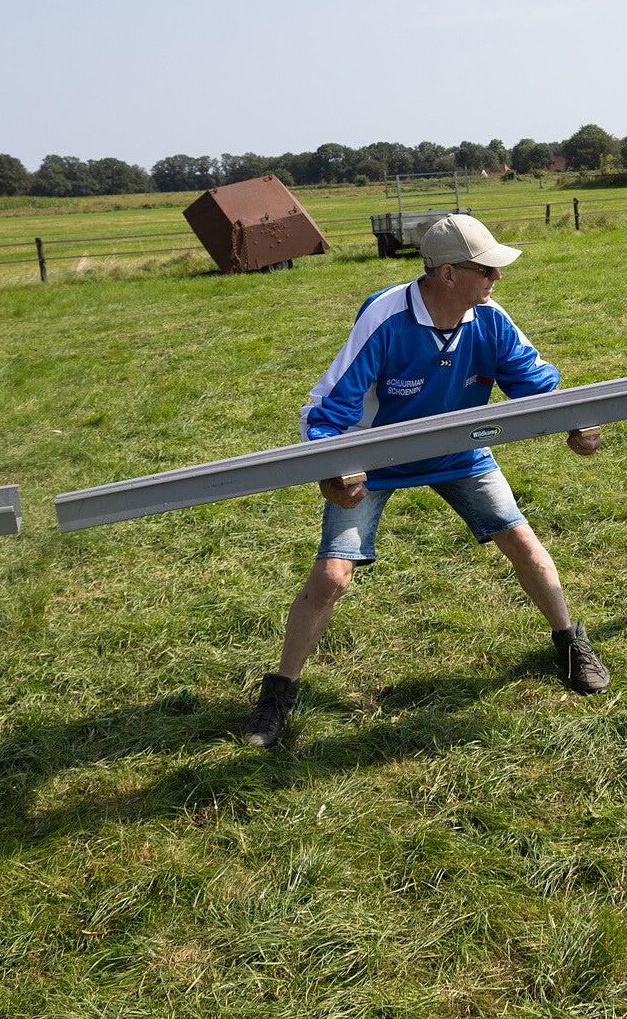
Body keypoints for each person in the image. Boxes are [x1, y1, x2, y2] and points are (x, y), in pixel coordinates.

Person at [244, 213, 608, 748]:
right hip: (376, 460)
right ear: (446, 273)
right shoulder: (386, 318)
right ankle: (279, 691)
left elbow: (538, 387)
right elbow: (325, 411)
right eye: (486, 269)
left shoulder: (490, 318)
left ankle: (569, 641)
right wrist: (332, 467)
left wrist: (577, 421)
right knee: (332, 577)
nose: (496, 279)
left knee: (522, 540)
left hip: (460, 452)